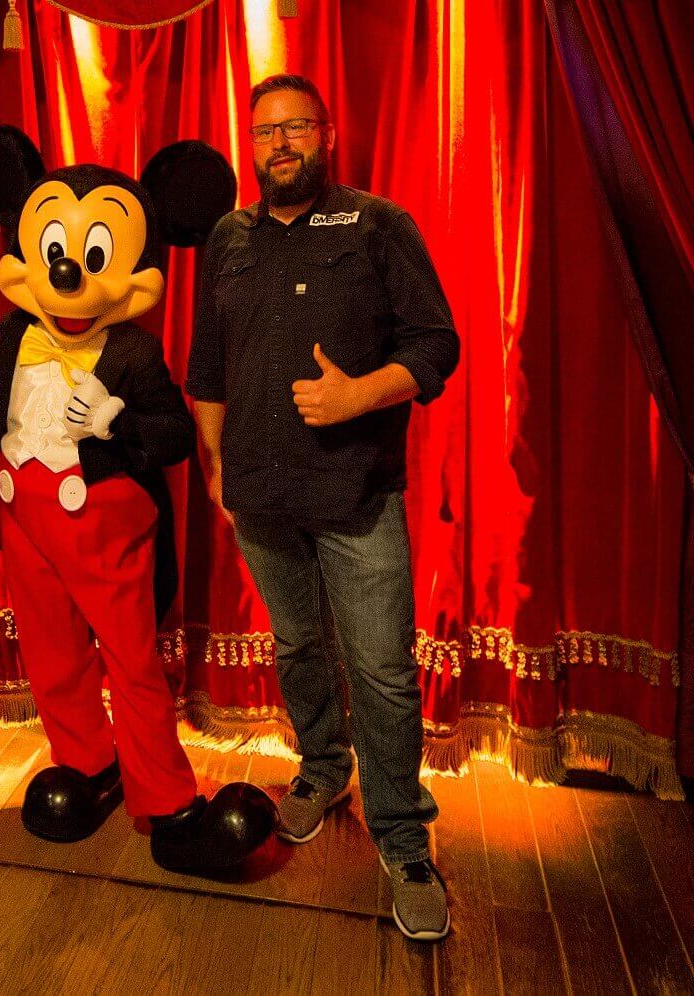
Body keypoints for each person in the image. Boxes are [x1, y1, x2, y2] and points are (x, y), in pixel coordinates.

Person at [185, 74, 460, 940]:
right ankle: (321, 765)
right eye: (264, 130)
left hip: (358, 496)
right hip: (261, 496)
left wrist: (361, 396)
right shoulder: (228, 237)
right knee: (299, 643)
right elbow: (209, 368)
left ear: (325, 133)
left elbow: (436, 344)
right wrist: (217, 465)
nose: (279, 144)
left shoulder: (379, 224)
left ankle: (403, 836)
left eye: (295, 126)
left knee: (381, 669)